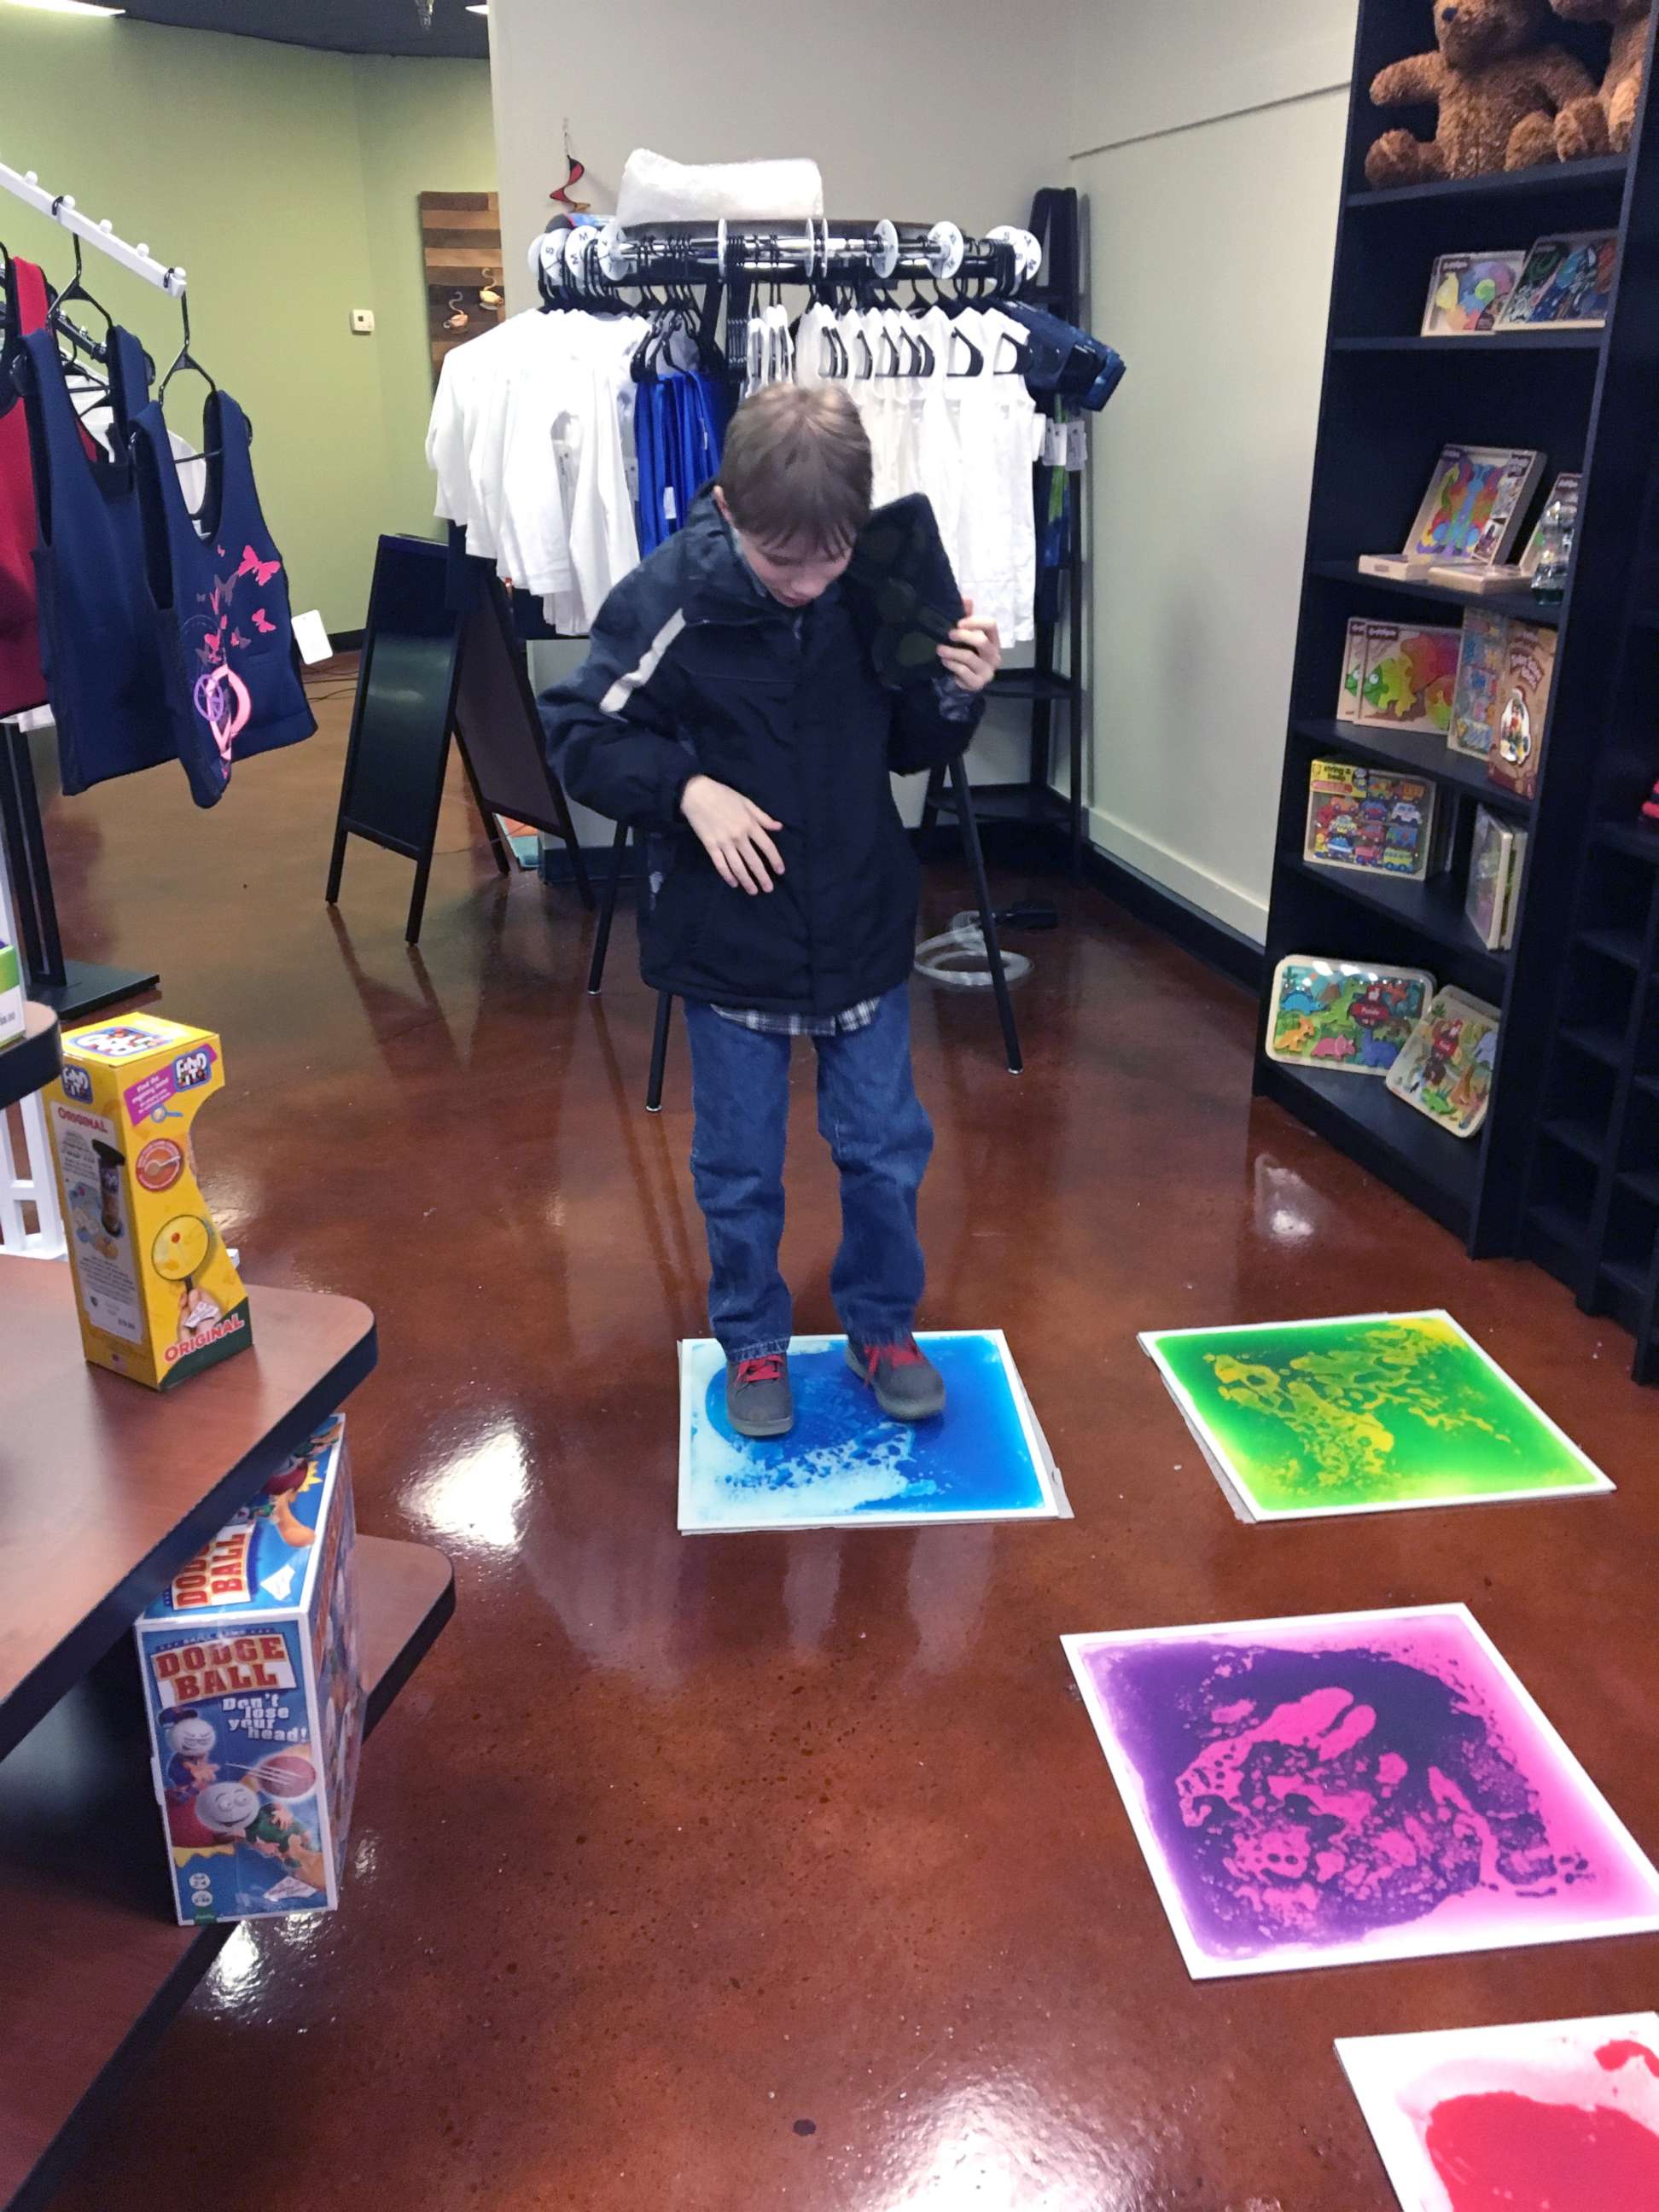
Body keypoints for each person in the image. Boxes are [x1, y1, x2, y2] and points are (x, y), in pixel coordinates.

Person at [542, 384, 1001, 1441]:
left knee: (886, 1148)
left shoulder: (875, 579)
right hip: (730, 939)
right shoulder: (672, 598)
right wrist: (686, 791)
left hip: (861, 924)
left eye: (826, 560)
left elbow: (911, 744)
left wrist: (959, 689)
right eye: (780, 562)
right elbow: (577, 730)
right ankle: (752, 1340)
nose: (804, 585)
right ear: (728, 509)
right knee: (738, 1167)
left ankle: (882, 1327)